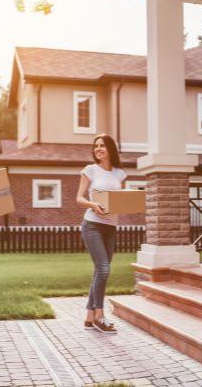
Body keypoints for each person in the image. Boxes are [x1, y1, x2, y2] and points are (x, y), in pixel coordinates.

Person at [76, 134, 127, 334]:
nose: (98, 149)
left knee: (100, 271)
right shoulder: (90, 170)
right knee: (104, 269)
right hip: (93, 225)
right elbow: (79, 198)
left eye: (102, 146)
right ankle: (99, 315)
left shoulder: (120, 173)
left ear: (110, 149)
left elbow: (118, 199)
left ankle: (89, 318)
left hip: (111, 226)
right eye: (96, 146)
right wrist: (93, 205)